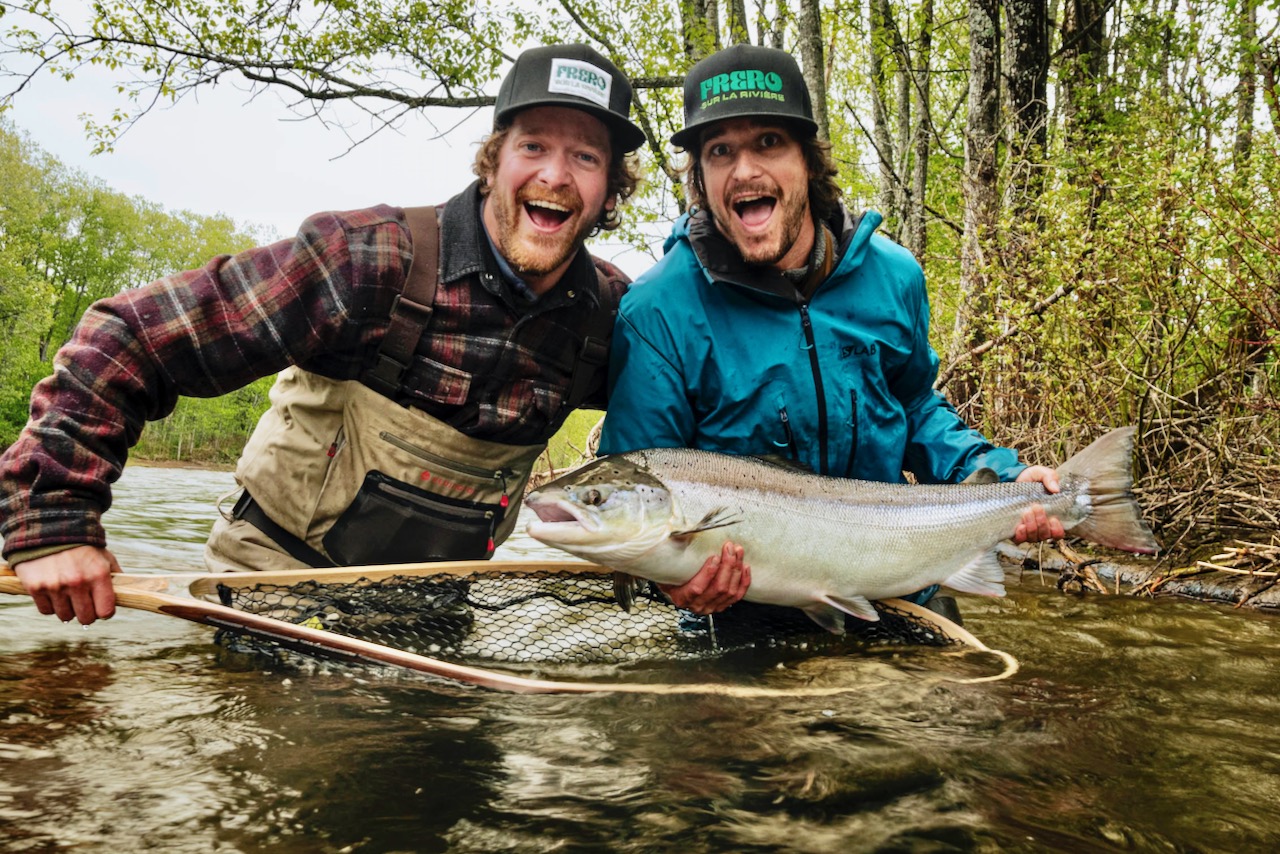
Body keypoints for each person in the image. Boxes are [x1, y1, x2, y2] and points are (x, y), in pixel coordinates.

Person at [0, 43, 651, 626]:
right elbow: (130, 339)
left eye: (586, 156)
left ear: (609, 192)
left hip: (434, 616)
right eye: (533, 146)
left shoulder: (609, 319)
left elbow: (694, 420)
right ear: (493, 160)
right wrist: (55, 517)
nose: (556, 175)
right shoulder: (367, 262)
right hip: (271, 592)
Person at [598, 44, 1064, 618]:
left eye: (768, 141)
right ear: (700, 176)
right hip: (740, 615)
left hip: (897, 586)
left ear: (808, 161)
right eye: (720, 151)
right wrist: (668, 584)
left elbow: (916, 407)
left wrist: (1000, 476)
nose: (745, 170)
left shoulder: (893, 276)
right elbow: (634, 503)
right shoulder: (657, 310)